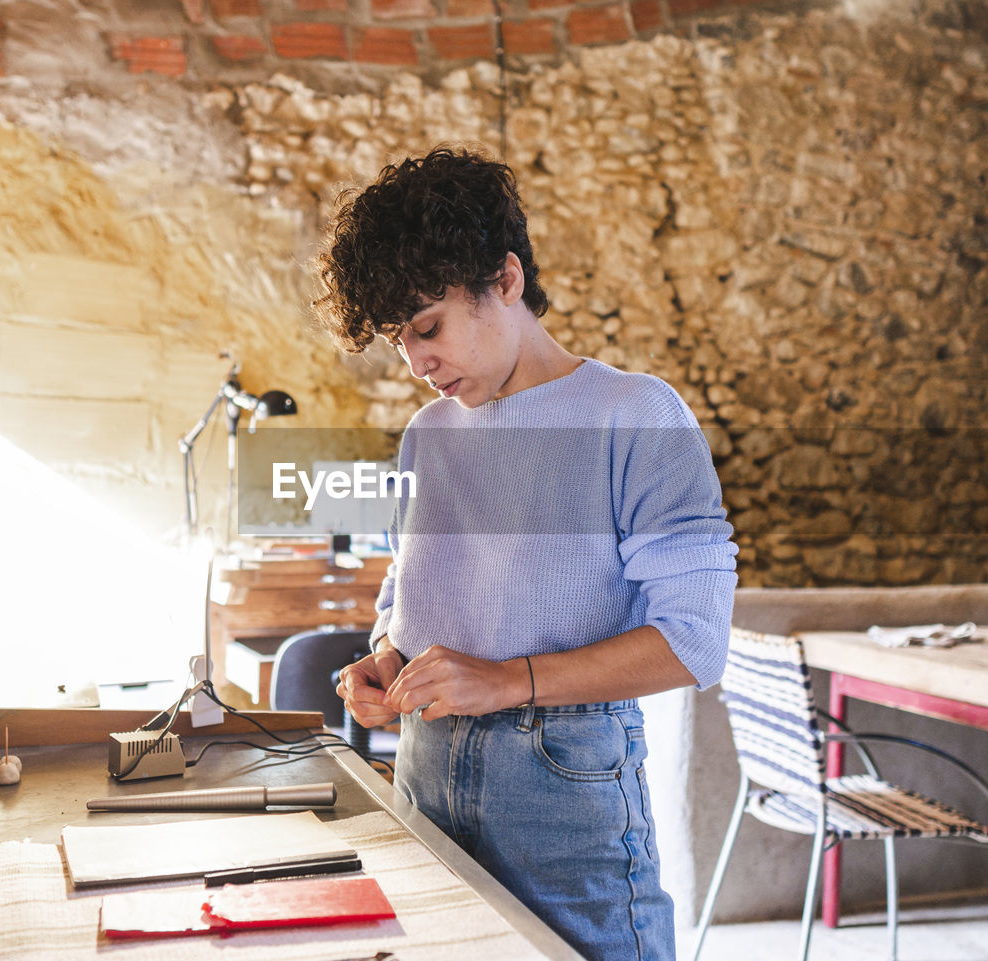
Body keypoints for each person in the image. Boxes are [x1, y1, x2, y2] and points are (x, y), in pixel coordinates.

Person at [314, 146, 738, 961]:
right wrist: (383, 660)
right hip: (426, 771)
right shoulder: (426, 436)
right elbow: (404, 599)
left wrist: (507, 681)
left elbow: (696, 638)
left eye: (428, 327)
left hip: (566, 785)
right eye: (400, 339)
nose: (416, 362)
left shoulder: (634, 415)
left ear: (505, 281)